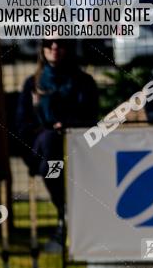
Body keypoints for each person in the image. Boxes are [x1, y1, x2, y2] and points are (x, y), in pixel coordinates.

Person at [16, 39, 98, 247]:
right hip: (40, 149)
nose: (54, 47)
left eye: (60, 43)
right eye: (48, 43)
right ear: (42, 49)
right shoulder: (32, 83)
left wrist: (67, 125)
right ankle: (66, 213)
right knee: (49, 141)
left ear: (68, 48)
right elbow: (22, 124)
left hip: (75, 150)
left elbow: (91, 120)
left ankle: (64, 216)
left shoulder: (84, 81)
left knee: (50, 163)